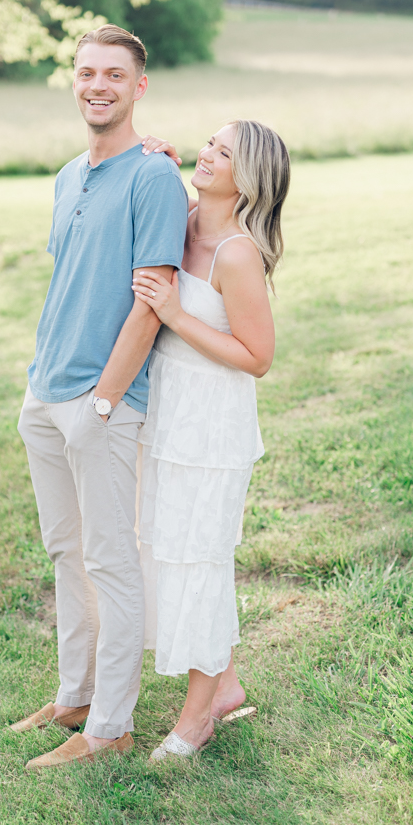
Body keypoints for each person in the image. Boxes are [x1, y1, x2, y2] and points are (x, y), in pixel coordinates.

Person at [12, 25, 188, 771]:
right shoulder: (65, 175)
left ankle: (111, 727)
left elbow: (153, 299)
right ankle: (74, 695)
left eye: (114, 75)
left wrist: (106, 401)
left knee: (111, 561)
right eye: (86, 73)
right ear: (73, 81)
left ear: (138, 87)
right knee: (64, 551)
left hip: (102, 401)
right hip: (44, 392)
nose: (97, 86)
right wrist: (40, 387)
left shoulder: (153, 178)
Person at [132, 119, 290, 760]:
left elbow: (257, 356)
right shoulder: (186, 217)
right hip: (165, 412)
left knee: (199, 559)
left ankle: (196, 719)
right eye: (209, 143)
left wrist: (173, 314)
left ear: (247, 176)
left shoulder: (236, 252)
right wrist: (155, 166)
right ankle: (223, 684)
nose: (208, 154)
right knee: (164, 549)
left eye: (224, 153)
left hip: (210, 423)